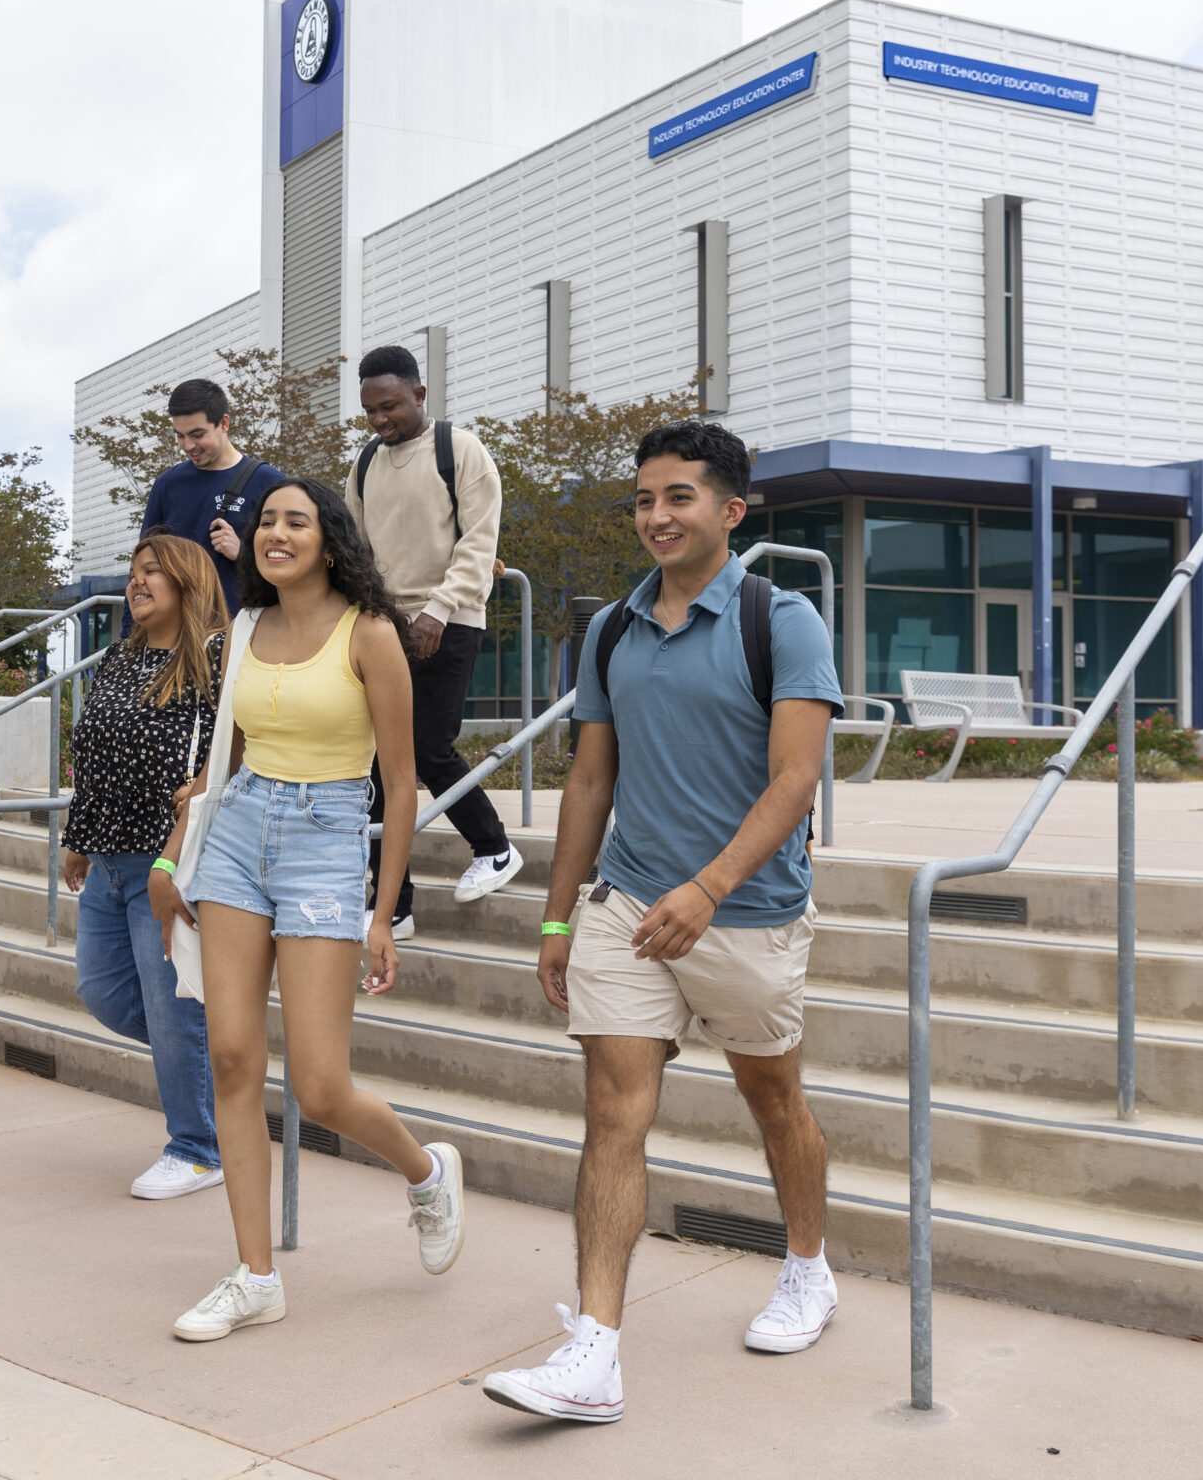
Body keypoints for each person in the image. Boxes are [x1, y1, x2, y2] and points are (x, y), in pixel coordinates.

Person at [481, 420, 842, 1425]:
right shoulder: (611, 628)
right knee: (612, 1111)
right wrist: (557, 918)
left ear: (730, 510)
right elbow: (590, 775)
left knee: (774, 1101)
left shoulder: (784, 619)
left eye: (677, 497)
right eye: (644, 499)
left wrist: (712, 887)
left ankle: (806, 1268)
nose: (655, 516)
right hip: (631, 901)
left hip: (748, 911)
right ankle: (592, 1349)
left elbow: (795, 779)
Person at [158, 480, 465, 1342]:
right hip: (241, 835)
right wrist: (185, 843)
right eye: (266, 523)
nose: (276, 534)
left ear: (330, 539)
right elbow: (230, 752)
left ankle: (426, 1171)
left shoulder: (371, 633)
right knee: (229, 1059)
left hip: (327, 839)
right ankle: (255, 1275)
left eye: (296, 521)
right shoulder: (244, 630)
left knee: (322, 1086)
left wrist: (382, 908)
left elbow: (400, 784)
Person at [64, 533, 229, 1200]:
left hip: (168, 863)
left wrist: (200, 789)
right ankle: (214, 1056)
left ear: (188, 583)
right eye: (133, 574)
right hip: (107, 858)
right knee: (102, 992)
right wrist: (79, 836)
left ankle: (197, 1149)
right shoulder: (119, 656)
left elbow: (231, 756)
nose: (136, 584)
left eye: (152, 573)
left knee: (173, 1014)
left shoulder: (215, 659)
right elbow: (93, 754)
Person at [344, 343, 519, 940]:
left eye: (389, 406)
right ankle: (393, 903)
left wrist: (438, 611)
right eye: (370, 410)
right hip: (384, 625)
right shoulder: (365, 461)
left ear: (419, 394)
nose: (379, 419)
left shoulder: (459, 449)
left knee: (426, 747)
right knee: (374, 762)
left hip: (450, 619)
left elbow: (479, 541)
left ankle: (494, 848)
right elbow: (356, 546)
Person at [137, 378, 284, 615]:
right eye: (180, 436)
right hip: (179, 629)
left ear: (224, 423)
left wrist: (242, 553)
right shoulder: (167, 484)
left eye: (197, 434)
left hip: (243, 630)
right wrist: (128, 638)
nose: (187, 445)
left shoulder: (268, 482)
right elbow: (142, 567)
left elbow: (293, 565)